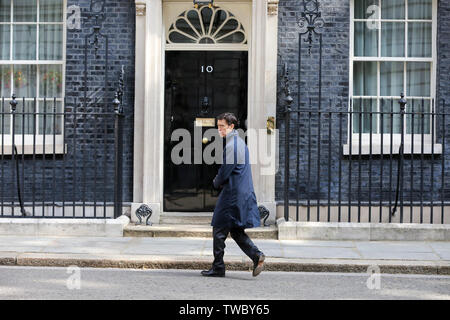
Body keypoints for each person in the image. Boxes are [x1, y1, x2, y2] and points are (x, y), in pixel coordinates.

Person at [201, 113, 265, 278]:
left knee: (218, 228)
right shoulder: (238, 142)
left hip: (232, 194)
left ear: (231, 126)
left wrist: (215, 182)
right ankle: (256, 256)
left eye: (222, 126)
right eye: (218, 126)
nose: (219, 129)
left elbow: (225, 171)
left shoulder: (233, 145)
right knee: (236, 230)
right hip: (239, 192)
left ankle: (218, 267)